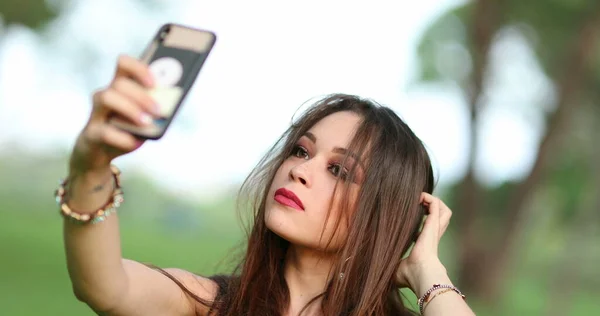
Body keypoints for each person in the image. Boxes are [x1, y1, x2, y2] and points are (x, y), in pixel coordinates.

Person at [59, 55, 476, 316]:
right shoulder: (215, 304)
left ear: (382, 214)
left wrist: (427, 271)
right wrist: (91, 167)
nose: (301, 170)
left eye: (339, 171)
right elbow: (107, 287)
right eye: (301, 151)